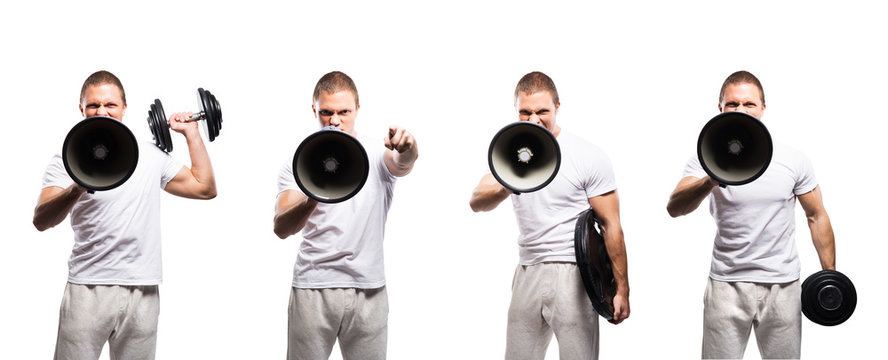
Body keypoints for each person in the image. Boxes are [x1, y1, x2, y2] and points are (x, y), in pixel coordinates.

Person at [33, 70, 217, 359]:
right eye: (93, 105)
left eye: (110, 104)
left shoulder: (150, 155)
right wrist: (76, 188)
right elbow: (41, 220)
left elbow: (204, 188)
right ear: (81, 109)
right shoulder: (65, 158)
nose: (102, 111)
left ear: (124, 108)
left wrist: (191, 133)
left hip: (142, 290)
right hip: (87, 289)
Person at [666, 70, 836, 359]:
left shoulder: (793, 159)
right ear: (720, 108)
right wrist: (711, 179)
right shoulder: (705, 156)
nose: (741, 110)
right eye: (732, 104)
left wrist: (830, 278)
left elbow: (816, 215)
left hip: (783, 286)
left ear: (763, 109)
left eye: (749, 104)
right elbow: (675, 208)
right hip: (726, 285)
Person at [469, 71, 630, 360]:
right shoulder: (510, 153)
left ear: (557, 107)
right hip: (527, 269)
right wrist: (510, 182)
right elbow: (477, 201)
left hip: (574, 272)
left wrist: (622, 289)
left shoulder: (587, 155)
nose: (534, 119)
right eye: (525, 112)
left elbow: (611, 225)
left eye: (542, 111)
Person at [273, 71, 419, 360]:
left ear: (357, 110)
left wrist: (409, 147)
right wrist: (313, 192)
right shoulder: (297, 161)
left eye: (344, 112)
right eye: (326, 112)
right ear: (315, 110)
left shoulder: (378, 153)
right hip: (313, 288)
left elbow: (402, 163)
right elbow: (281, 227)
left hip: (369, 290)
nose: (335, 120)